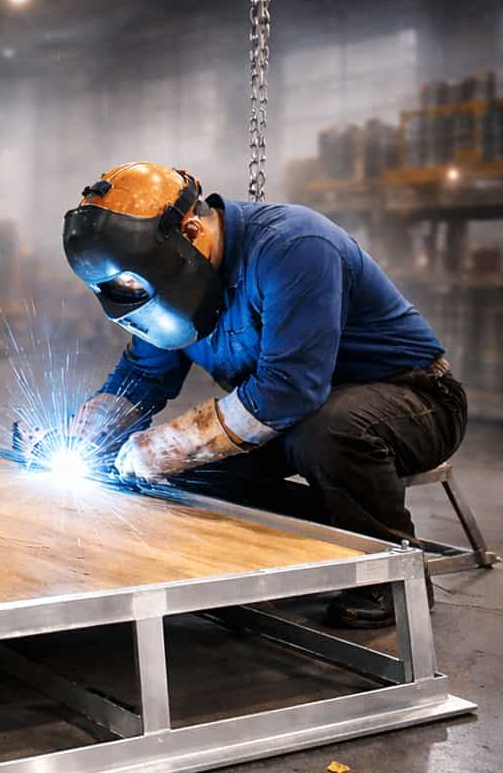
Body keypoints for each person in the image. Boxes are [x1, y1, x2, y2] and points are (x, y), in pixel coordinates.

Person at [62, 162, 467, 628]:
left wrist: (171, 445)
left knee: (323, 433)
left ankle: (394, 577)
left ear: (190, 231)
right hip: (293, 413)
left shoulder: (294, 247)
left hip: (414, 400)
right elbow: (143, 377)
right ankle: (310, 542)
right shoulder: (170, 281)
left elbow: (289, 391)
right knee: (177, 473)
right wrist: (86, 436)